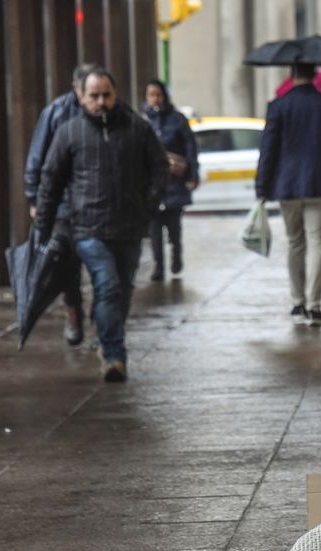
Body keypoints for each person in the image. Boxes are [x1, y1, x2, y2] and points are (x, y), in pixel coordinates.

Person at [34, 68, 168, 382]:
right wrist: (42, 227)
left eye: (106, 94)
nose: (101, 102)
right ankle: (114, 355)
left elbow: (159, 166)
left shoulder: (137, 128)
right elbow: (50, 181)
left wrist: (147, 205)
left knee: (122, 291)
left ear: (115, 93)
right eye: (93, 96)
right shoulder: (69, 132)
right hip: (88, 229)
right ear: (81, 97)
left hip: (129, 227)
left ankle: (105, 334)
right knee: (107, 286)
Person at [256, 62, 321, 327]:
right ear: (315, 76)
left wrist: (261, 187)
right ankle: (315, 305)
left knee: (295, 242)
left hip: (287, 186)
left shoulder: (278, 106)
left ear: (292, 75)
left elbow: (268, 150)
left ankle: (298, 301)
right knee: (318, 243)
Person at [24, 63, 96, 346]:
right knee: (67, 268)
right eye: (85, 91)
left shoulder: (109, 113)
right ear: (76, 87)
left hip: (96, 205)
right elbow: (37, 159)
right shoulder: (55, 113)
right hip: (64, 207)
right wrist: (35, 199)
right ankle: (73, 312)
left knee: (102, 267)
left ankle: (98, 320)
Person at [142, 79, 199, 281]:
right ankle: (159, 266)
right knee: (154, 229)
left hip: (174, 182)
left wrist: (192, 175)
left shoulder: (177, 120)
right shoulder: (143, 121)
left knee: (174, 227)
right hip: (152, 185)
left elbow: (190, 148)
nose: (155, 99)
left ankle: (176, 256)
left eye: (158, 95)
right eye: (151, 95)